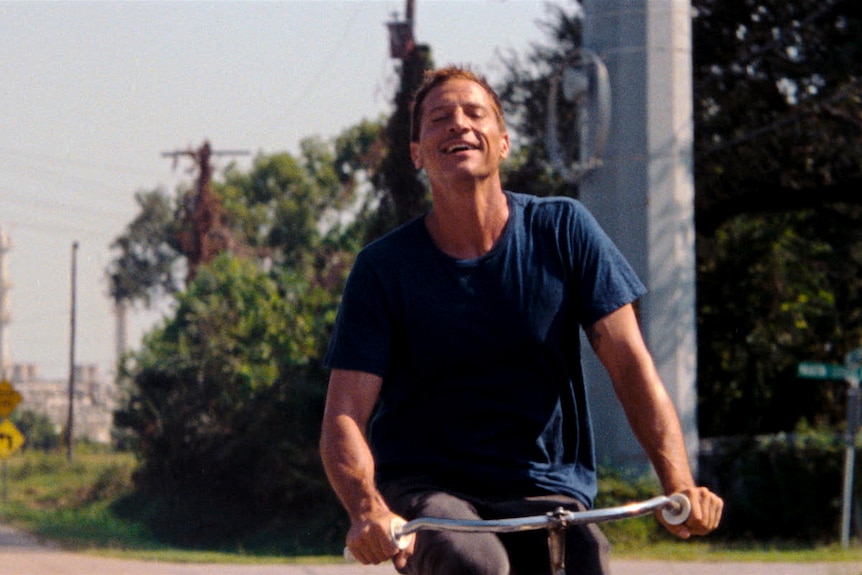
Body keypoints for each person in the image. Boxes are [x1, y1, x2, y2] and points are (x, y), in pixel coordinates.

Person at [319, 65, 723, 575]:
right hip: (431, 490)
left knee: (585, 559)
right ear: (418, 154)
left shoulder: (565, 230)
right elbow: (344, 416)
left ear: (503, 142)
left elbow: (630, 365)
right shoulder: (384, 268)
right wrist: (367, 510)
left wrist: (678, 482)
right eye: (439, 118)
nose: (459, 125)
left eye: (475, 113)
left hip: (546, 486)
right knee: (474, 562)